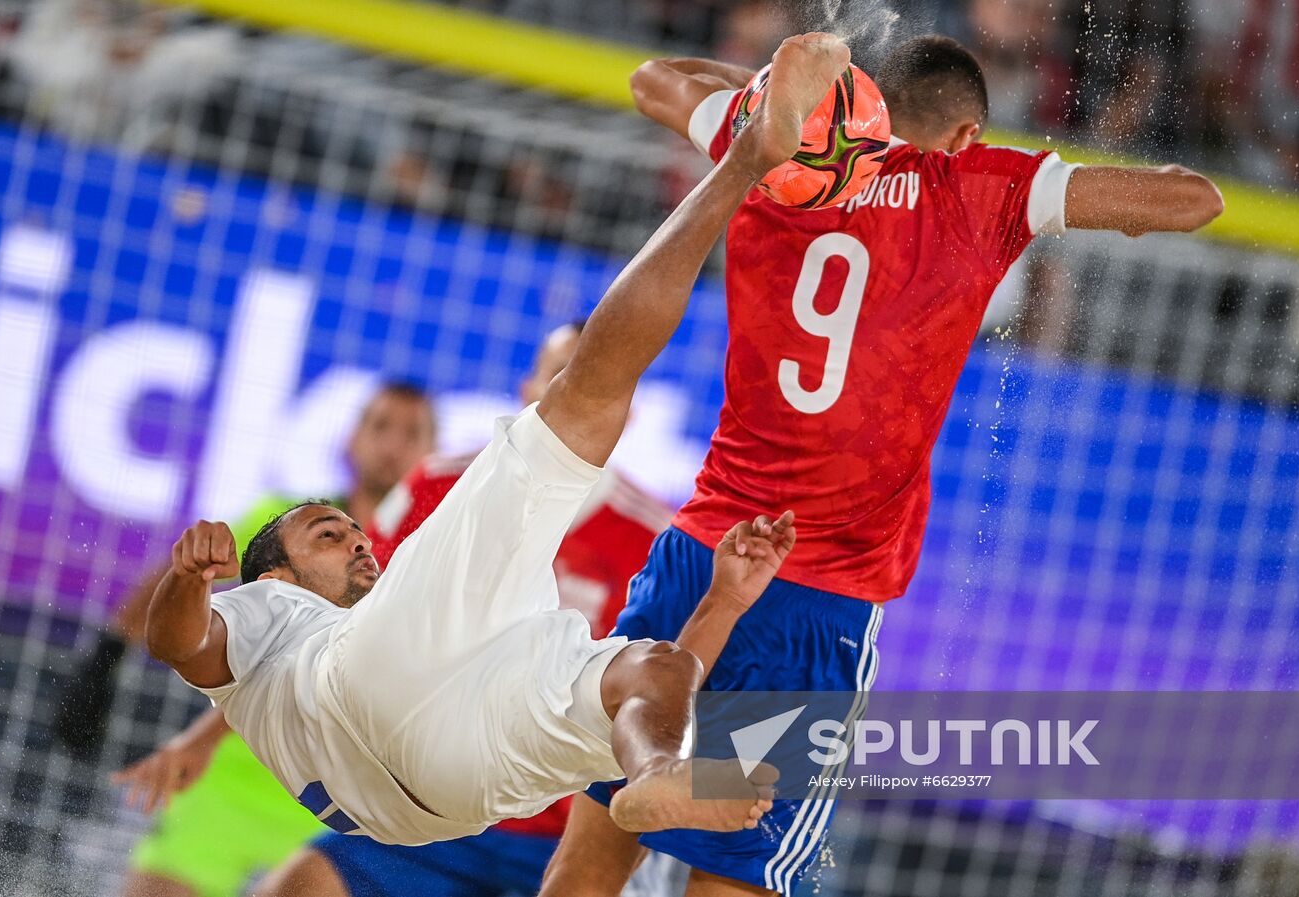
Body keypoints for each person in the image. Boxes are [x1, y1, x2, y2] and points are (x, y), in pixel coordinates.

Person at [539, 33, 1225, 897]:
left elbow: (653, 80)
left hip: (699, 552)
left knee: (588, 863)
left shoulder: (779, 151)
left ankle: (655, 782)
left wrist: (783, 103)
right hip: (816, 602)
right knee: (735, 876)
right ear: (967, 135)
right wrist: (1033, 182)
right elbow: (1193, 200)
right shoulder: (980, 187)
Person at [141, 32, 851, 854]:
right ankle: (747, 161)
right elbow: (175, 640)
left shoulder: (580, 548)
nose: (357, 537)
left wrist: (724, 600)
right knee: (585, 398)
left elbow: (664, 688)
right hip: (384, 719)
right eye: (327, 534)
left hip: (457, 789)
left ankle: (660, 772)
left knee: (650, 672)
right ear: (274, 574)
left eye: (349, 527)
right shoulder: (274, 614)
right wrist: (189, 578)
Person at [118, 322, 679, 897]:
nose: (579, 380)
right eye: (559, 369)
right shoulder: (437, 485)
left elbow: (673, 685)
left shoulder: (653, 538)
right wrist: (208, 735)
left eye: (596, 371)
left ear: (629, 409)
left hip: (557, 819)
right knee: (300, 885)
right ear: (527, 386)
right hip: (417, 808)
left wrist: (726, 788)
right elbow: (318, 629)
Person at [59, 381, 434, 897]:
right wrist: (104, 658)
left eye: (412, 433)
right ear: (351, 439)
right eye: (380, 426)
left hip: (337, 804)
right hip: (234, 776)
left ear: (430, 455)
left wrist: (197, 737)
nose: (393, 444)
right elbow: (180, 573)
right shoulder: (286, 521)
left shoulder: (420, 555)